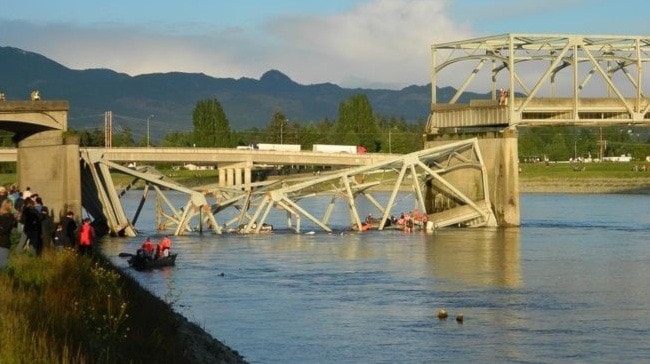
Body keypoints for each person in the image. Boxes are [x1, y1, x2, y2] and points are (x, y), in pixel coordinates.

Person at [0, 199, 16, 269]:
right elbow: (7, 229)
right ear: (8, 206)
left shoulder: (9, 217)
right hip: (4, 242)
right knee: (3, 264)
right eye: (11, 205)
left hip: (4, 241)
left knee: (2, 263)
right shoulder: (9, 217)